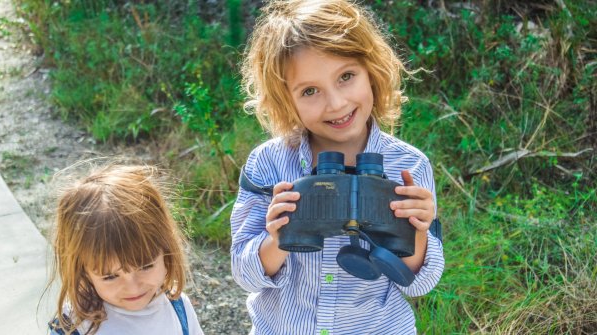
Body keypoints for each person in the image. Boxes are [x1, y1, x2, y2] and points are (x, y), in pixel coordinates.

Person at [231, 0, 445, 334]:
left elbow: (419, 284)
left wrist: (417, 230)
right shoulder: (269, 164)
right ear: (286, 100)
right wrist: (277, 238)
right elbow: (244, 275)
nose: (336, 103)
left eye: (346, 76)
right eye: (310, 91)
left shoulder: (408, 166)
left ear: (371, 70)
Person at [46, 164, 204, 335]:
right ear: (82, 270)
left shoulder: (178, 307)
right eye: (110, 276)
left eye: (146, 266)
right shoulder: (74, 327)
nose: (133, 287)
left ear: (166, 251)